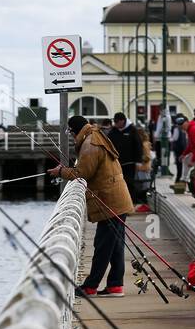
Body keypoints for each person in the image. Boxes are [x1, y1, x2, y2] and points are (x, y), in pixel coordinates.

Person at [48, 114, 134, 297]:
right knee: (115, 244)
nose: (71, 137)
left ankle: (90, 287)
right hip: (116, 197)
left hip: (110, 200)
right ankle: (115, 286)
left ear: (74, 130)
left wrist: (61, 171)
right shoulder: (95, 136)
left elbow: (83, 172)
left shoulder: (90, 143)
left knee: (103, 244)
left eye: (70, 133)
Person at [108, 112, 144, 204]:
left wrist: (138, 161)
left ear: (123, 121)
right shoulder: (113, 131)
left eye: (117, 122)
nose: (116, 124)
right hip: (117, 163)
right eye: (115, 122)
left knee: (129, 183)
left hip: (130, 163)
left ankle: (131, 202)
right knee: (118, 184)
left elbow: (138, 146)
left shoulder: (132, 130)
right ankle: (121, 202)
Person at [170, 114, 189, 182]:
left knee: (179, 166)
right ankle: (180, 179)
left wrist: (170, 139)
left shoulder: (176, 128)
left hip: (178, 149)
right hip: (183, 148)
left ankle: (178, 180)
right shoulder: (184, 129)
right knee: (183, 166)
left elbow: (174, 138)